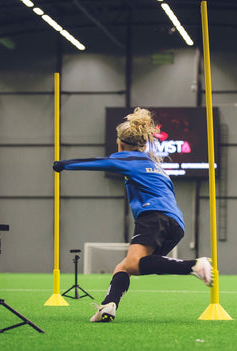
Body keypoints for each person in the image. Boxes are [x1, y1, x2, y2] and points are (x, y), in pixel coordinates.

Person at [53, 107, 212, 323]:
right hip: (176, 223)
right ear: (145, 144)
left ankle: (193, 265)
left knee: (132, 264)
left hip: (153, 217)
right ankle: (108, 306)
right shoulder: (154, 165)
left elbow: (99, 163)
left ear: (120, 143)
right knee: (129, 266)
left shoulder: (127, 159)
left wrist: (63, 165)